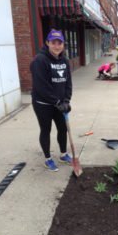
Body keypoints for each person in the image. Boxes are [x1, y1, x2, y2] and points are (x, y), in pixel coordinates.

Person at [30, 29, 72, 172]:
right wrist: (57, 102)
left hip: (60, 104)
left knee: (63, 128)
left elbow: (68, 83)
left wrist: (66, 100)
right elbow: (42, 86)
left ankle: (63, 154)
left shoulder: (65, 60)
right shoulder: (39, 60)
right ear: (47, 43)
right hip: (43, 104)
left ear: (63, 44)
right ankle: (48, 159)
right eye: (53, 42)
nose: (57, 46)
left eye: (59, 43)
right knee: (45, 130)